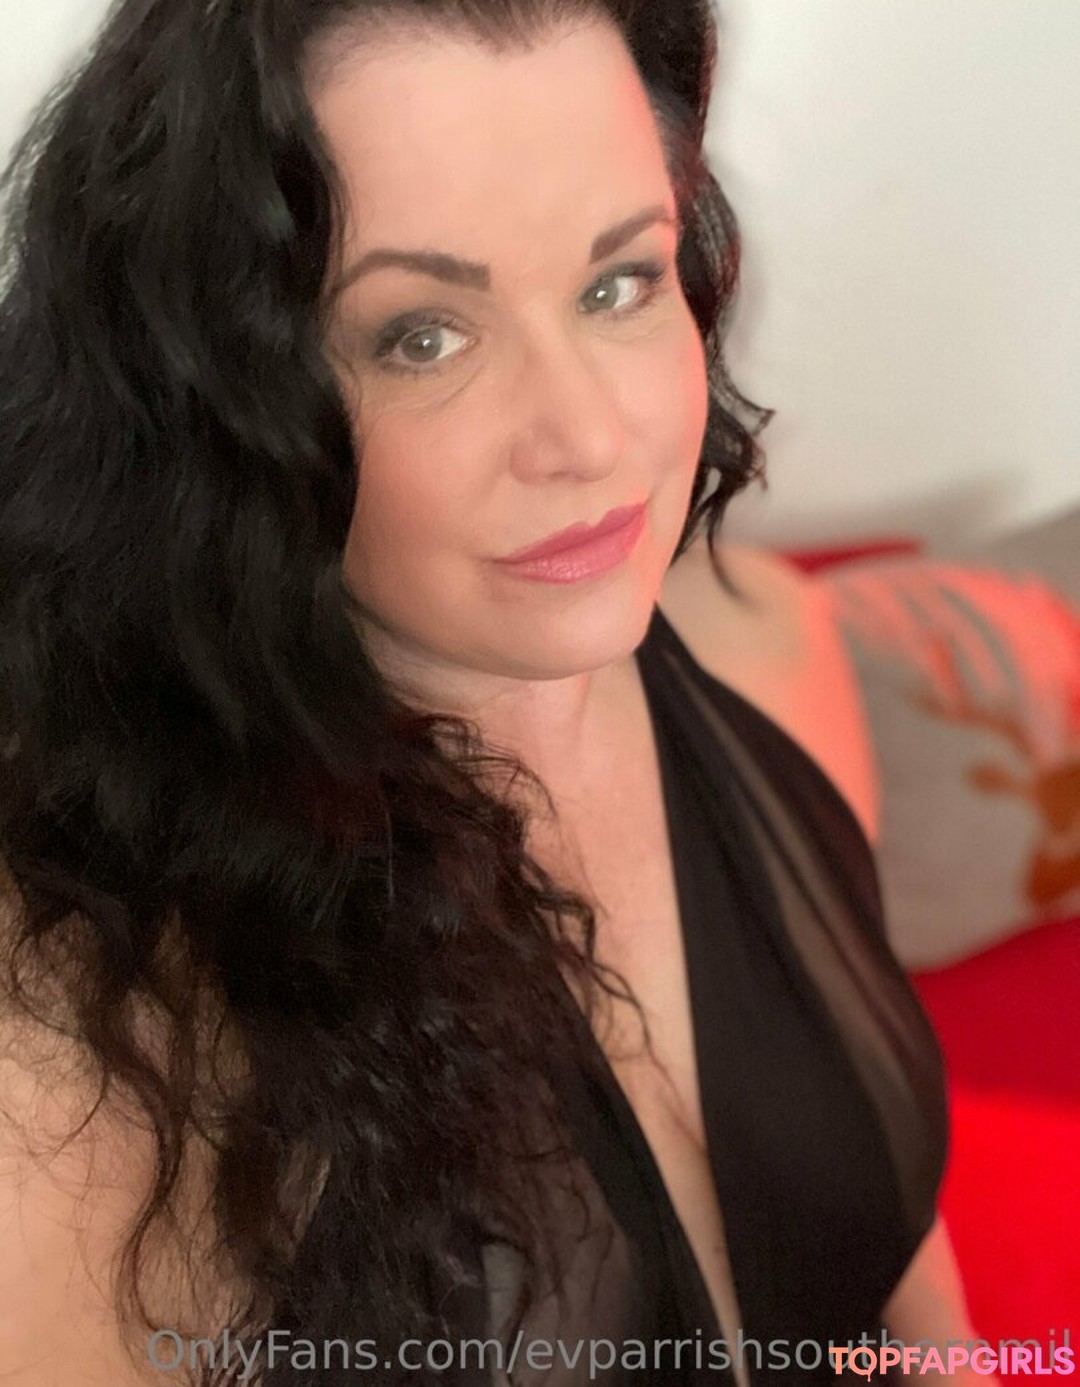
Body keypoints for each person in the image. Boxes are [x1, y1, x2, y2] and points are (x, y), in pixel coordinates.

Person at [0, 1, 990, 1383]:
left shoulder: (767, 647)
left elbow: (894, 1258)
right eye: (421, 335)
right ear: (212, 398)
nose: (589, 436)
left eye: (619, 283)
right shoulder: (88, 1039)